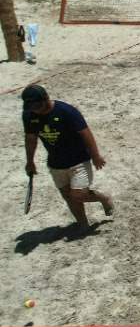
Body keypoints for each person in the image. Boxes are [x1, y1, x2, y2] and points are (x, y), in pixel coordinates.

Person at [21, 84, 113, 232]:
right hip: (55, 163)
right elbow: (31, 139)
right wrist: (30, 162)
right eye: (31, 106)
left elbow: (85, 133)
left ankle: (103, 198)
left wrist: (95, 156)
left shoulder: (66, 111)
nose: (34, 109)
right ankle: (83, 224)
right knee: (68, 196)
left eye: (37, 105)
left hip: (78, 160)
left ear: (46, 99)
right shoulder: (29, 115)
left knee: (78, 194)